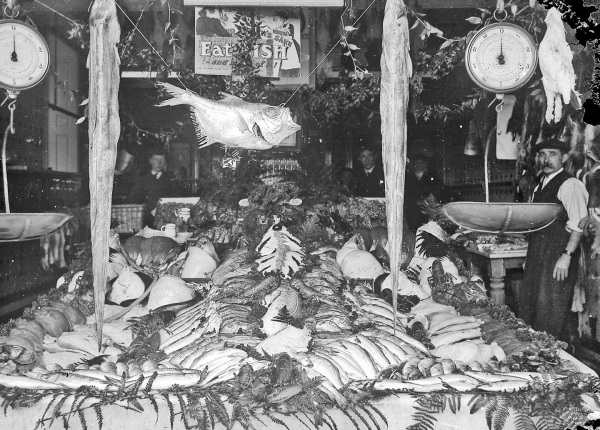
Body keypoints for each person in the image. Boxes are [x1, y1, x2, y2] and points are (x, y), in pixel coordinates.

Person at [521, 139, 588, 342]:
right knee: (531, 308)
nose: (546, 159)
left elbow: (579, 224)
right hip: (538, 252)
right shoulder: (539, 185)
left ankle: (555, 360)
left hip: (558, 253)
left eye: (552, 154)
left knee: (550, 310)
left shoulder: (570, 184)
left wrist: (566, 256)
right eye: (542, 154)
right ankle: (534, 357)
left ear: (564, 157)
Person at [127, 147, 178, 227]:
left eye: (162, 159)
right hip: (145, 222)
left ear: (165, 161)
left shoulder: (172, 180)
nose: (159, 162)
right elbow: (133, 202)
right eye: (156, 159)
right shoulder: (142, 180)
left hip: (167, 223)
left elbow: (176, 201)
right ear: (150, 161)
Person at [404, 153, 447, 231]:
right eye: (417, 163)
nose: (419, 165)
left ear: (425, 164)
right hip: (412, 213)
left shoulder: (432, 178)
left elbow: (439, 194)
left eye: (421, 163)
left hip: (428, 215)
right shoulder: (408, 179)